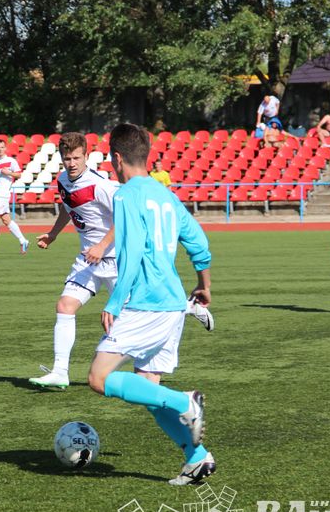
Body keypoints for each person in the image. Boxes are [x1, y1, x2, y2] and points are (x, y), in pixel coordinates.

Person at [86, 122, 215, 486]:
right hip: (174, 303)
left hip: (147, 303)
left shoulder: (126, 195)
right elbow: (199, 243)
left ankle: (185, 402)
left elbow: (131, 252)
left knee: (99, 378)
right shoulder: (166, 195)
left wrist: (114, 300)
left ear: (116, 158)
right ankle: (197, 458)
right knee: (148, 387)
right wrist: (204, 286)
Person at [29, 133, 118, 389]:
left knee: (137, 315)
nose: (72, 163)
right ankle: (60, 372)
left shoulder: (101, 184)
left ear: (86, 156)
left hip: (114, 259)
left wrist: (102, 246)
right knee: (65, 306)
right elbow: (68, 206)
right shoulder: (63, 180)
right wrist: (54, 233)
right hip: (87, 260)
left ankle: (189, 307)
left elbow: (125, 217)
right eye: (67, 158)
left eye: (77, 158)